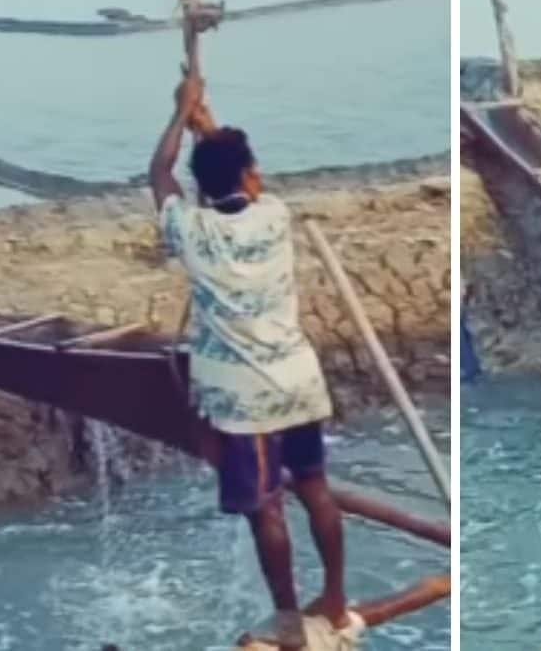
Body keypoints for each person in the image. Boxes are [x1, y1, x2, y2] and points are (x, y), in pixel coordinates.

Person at [150, 73, 349, 650]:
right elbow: (242, 180)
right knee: (315, 488)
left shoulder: (193, 229)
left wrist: (180, 114)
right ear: (249, 177)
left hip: (243, 400)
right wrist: (205, 122)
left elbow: (159, 176)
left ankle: (288, 616)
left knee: (267, 511)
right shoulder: (275, 218)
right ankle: (335, 597)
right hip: (298, 382)